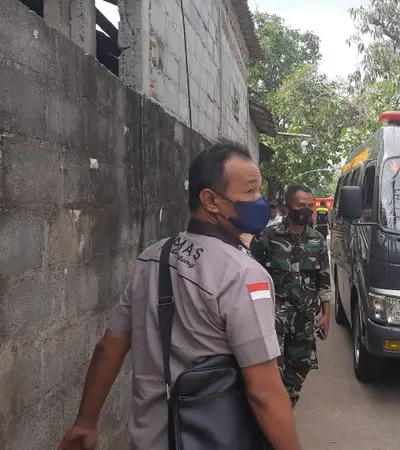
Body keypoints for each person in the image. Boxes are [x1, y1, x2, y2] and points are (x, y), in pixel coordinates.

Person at [57, 142, 302, 450]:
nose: (261, 202)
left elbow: (110, 346)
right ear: (211, 200)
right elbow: (263, 391)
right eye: (250, 192)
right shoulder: (243, 275)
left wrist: (85, 422)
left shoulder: (152, 257)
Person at [251, 184, 331, 408]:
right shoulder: (267, 237)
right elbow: (251, 275)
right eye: (300, 206)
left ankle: (286, 409)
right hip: (273, 318)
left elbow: (323, 279)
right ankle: (271, 417)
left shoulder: (317, 241)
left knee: (299, 368)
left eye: (309, 206)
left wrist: (326, 314)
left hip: (303, 319)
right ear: (288, 207)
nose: (306, 210)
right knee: (271, 369)